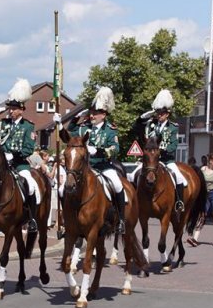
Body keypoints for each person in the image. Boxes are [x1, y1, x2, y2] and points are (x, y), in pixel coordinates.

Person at [0, 78, 40, 231]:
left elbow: (28, 149)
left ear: (21, 109)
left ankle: (31, 218)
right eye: (9, 108)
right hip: (1, 165)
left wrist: (14, 154)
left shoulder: (28, 126)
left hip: (19, 164)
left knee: (31, 186)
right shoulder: (2, 124)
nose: (10, 111)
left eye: (13, 108)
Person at [63, 86, 127, 233]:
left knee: (117, 185)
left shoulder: (110, 129)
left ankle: (121, 220)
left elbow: (115, 149)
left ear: (103, 114)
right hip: (85, 168)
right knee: (62, 189)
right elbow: (70, 131)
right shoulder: (83, 128)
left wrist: (99, 150)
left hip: (103, 166)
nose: (92, 115)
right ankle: (67, 221)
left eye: (96, 113)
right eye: (91, 112)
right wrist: (75, 117)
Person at [133, 89, 188, 212]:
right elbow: (136, 129)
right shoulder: (150, 124)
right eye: (157, 113)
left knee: (179, 178)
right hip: (150, 161)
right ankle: (134, 200)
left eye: (162, 113)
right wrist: (141, 118)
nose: (159, 115)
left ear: (167, 114)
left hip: (166, 160)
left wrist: (162, 150)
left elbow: (174, 145)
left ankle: (179, 202)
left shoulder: (173, 127)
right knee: (133, 175)